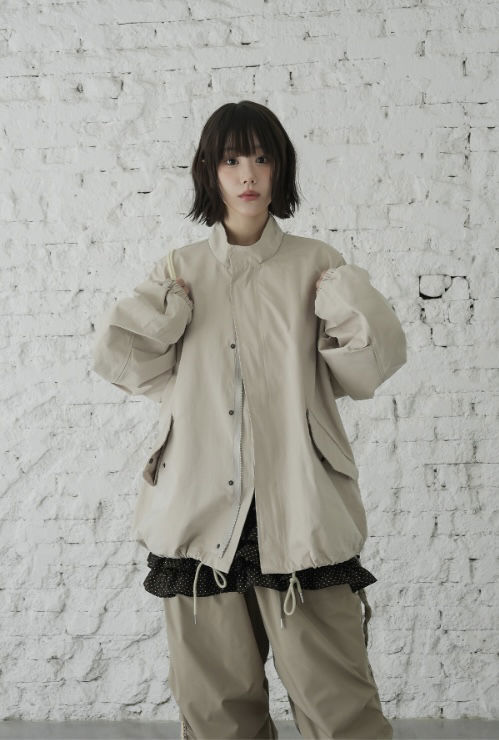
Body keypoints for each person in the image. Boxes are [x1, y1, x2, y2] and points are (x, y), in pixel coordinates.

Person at [92, 100, 407, 739]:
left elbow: (367, 371)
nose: (247, 174)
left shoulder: (317, 263)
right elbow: (126, 365)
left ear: (279, 168)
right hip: (200, 512)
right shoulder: (179, 269)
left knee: (339, 707)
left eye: (262, 158)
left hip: (301, 508)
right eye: (232, 159)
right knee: (217, 716)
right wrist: (166, 312)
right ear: (209, 170)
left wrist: (344, 300)